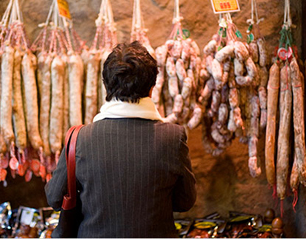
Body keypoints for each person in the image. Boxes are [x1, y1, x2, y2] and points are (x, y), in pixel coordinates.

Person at [45, 41, 196, 238]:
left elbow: (54, 198)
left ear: (106, 85)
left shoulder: (80, 138)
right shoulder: (173, 137)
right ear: (152, 88)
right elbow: (185, 201)